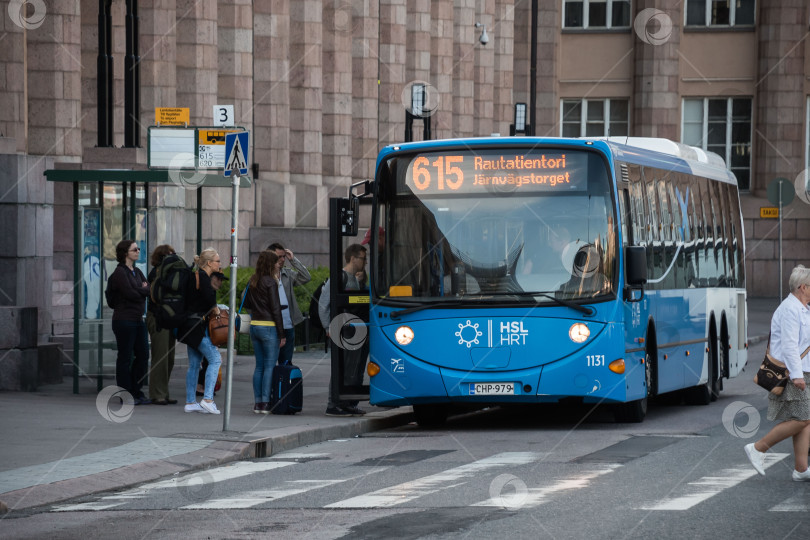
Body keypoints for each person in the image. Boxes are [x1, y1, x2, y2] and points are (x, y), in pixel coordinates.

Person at [745, 265, 810, 481]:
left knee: (805, 418)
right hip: (793, 373)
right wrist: (797, 375)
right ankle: (758, 447)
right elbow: (790, 345)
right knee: (801, 419)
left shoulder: (801, 308)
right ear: (803, 287)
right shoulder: (790, 309)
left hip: (802, 371)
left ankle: (801, 469)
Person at [318, 243, 368, 417]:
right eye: (363, 258)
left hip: (354, 328)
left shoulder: (355, 278)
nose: (365, 262)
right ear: (353, 258)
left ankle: (346, 402)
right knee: (341, 367)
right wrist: (328, 326)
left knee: (352, 368)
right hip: (343, 328)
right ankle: (334, 404)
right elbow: (323, 304)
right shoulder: (339, 277)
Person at [107, 239, 151, 405]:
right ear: (125, 253)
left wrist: (143, 290)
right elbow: (130, 293)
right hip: (124, 320)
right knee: (125, 357)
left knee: (143, 355)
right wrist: (143, 289)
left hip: (138, 320)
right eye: (134, 249)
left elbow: (149, 289)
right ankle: (125, 394)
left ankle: (136, 390)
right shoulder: (120, 272)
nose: (138, 251)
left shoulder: (137, 271)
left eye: (138, 249)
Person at [180, 248, 223, 415]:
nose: (220, 264)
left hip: (188, 325)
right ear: (209, 263)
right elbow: (210, 301)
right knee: (215, 359)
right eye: (218, 261)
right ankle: (207, 399)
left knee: (193, 365)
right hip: (198, 327)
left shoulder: (193, 276)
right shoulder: (204, 278)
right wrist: (217, 310)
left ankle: (191, 401)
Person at [246, 250, 286, 414]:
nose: (279, 264)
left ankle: (257, 403)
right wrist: (282, 333)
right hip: (269, 327)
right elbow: (276, 309)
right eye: (277, 262)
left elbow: (248, 302)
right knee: (270, 366)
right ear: (271, 264)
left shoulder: (253, 280)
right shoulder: (271, 282)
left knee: (259, 367)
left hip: (254, 325)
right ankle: (265, 402)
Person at [268, 242, 311, 364]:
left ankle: (283, 383)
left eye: (283, 256)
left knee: (286, 363)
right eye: (279, 257)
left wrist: (293, 260)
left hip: (288, 325)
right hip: (271, 326)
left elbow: (306, 277)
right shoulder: (263, 276)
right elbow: (248, 296)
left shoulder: (287, 274)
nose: (282, 259)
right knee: (269, 364)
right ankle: (269, 383)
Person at [146, 244, 177, 405]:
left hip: (168, 316)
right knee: (160, 356)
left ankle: (163, 392)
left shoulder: (171, 273)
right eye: (169, 255)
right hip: (158, 317)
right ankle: (157, 393)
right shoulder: (156, 273)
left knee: (169, 357)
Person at [197, 270, 228, 396]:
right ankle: (205, 392)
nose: (220, 283)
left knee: (203, 360)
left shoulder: (211, 291)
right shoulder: (207, 290)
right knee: (213, 359)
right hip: (201, 329)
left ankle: (199, 388)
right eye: (219, 279)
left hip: (204, 329)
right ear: (212, 278)